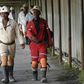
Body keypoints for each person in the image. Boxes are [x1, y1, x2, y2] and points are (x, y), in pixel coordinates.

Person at [26, 5, 53, 83]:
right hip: (33, 45)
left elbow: (48, 32)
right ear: (32, 13)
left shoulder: (44, 22)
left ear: (39, 13)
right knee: (34, 63)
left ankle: (43, 77)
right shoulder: (29, 23)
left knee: (43, 60)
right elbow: (28, 32)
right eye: (33, 11)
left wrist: (49, 41)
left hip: (42, 44)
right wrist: (32, 37)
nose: (35, 13)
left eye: (36, 11)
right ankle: (35, 75)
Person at [0, 6, 25, 83]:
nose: (4, 15)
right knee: (4, 61)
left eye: (6, 13)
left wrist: (21, 42)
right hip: (2, 44)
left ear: (8, 14)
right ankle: (6, 77)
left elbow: (18, 33)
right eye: (2, 14)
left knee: (10, 61)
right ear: (0, 14)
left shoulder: (13, 23)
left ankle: (11, 76)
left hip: (12, 44)